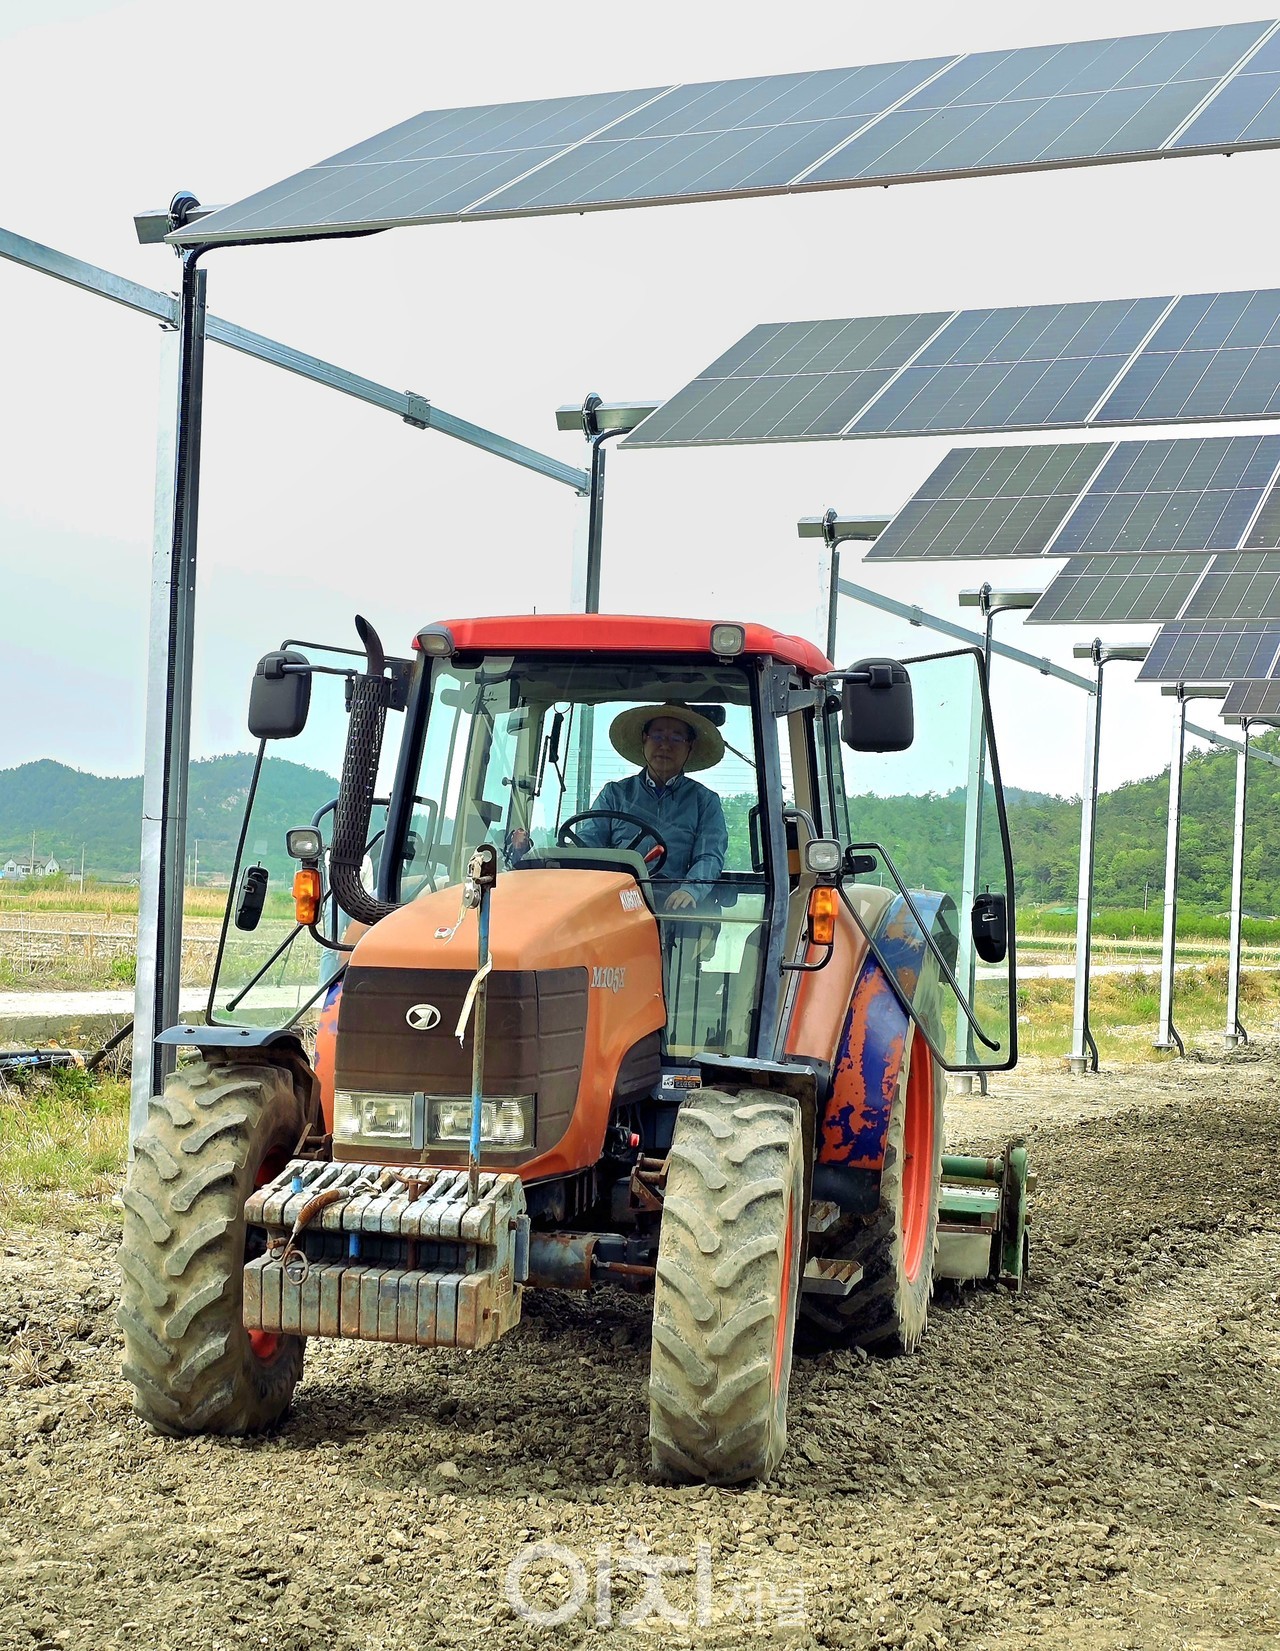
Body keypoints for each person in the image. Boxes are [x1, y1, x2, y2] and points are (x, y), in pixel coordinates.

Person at [577, 703, 728, 913]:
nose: (665, 746)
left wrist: (690, 890)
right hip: (617, 899)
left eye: (676, 738)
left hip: (675, 906)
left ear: (690, 746)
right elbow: (588, 843)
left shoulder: (705, 801)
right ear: (644, 739)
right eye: (657, 736)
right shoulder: (614, 794)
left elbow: (709, 856)